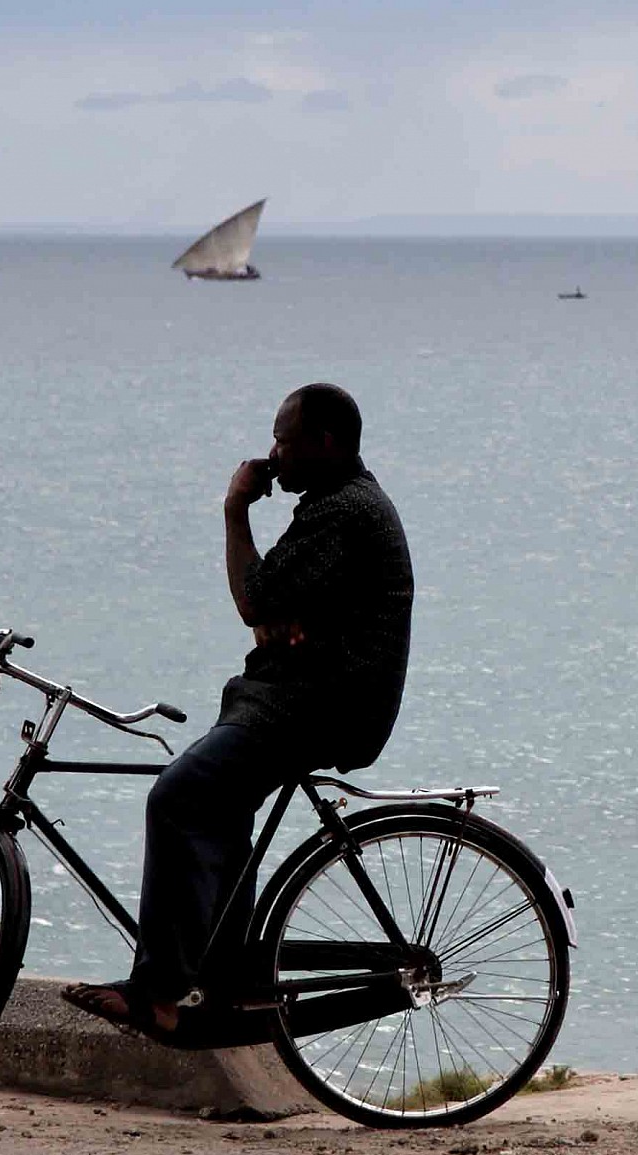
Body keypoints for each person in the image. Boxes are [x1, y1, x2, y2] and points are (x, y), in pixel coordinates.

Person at [63, 383, 414, 1037]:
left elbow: (253, 601)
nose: (272, 453)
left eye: (284, 439)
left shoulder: (344, 510)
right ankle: (228, 984)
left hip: (318, 706)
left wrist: (235, 509)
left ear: (325, 443)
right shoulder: (336, 504)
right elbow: (270, 616)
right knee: (218, 814)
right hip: (304, 697)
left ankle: (160, 992)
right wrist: (283, 616)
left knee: (178, 795)